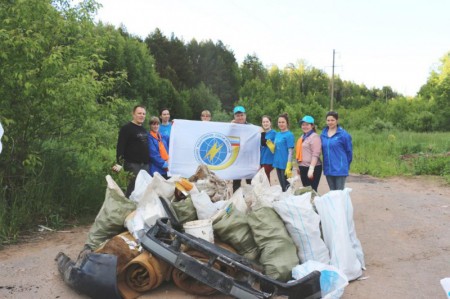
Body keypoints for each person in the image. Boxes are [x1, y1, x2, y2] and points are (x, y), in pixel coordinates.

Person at [112, 105, 150, 197]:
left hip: (145, 165)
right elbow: (120, 146)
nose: (142, 115)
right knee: (132, 188)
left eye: (144, 114)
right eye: (139, 113)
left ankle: (139, 210)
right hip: (133, 165)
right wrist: (119, 163)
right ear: (133, 114)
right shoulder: (126, 128)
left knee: (143, 189)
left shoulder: (143, 129)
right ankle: (128, 208)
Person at [320, 111, 353, 190]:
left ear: (337, 120)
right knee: (332, 193)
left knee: (339, 194)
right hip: (328, 169)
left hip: (340, 170)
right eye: (328, 120)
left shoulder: (343, 135)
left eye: (332, 120)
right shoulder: (323, 135)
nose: (330, 122)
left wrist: (345, 166)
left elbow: (349, 152)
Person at [295, 115, 322, 192]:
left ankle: (314, 204)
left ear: (312, 125)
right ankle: (308, 204)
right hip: (303, 167)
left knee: (312, 191)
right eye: (303, 125)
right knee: (305, 191)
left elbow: (316, 154)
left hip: (313, 168)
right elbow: (299, 152)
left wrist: (311, 169)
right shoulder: (302, 137)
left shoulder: (315, 137)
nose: (305, 126)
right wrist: (298, 166)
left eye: (307, 124)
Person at [272, 113, 295, 192]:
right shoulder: (277, 134)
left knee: (287, 187)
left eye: (283, 122)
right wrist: (270, 145)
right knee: (282, 187)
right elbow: (275, 148)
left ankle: (288, 202)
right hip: (278, 163)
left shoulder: (289, 135)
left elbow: (290, 151)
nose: (281, 124)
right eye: (279, 122)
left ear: (287, 123)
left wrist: (288, 165)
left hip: (285, 164)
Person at [231, 105, 252, 192]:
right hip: (236, 158)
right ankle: (237, 200)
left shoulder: (251, 127)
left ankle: (251, 199)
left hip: (249, 159)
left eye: (241, 115)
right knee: (236, 181)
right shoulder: (231, 127)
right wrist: (230, 126)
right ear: (234, 117)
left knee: (250, 181)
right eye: (237, 115)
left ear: (245, 115)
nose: (240, 117)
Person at [260, 115, 276, 182]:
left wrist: (262, 133)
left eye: (267, 122)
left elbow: (264, 143)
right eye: (263, 122)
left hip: (269, 160)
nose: (265, 123)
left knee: (265, 178)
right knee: (262, 179)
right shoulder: (261, 133)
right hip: (262, 159)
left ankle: (268, 192)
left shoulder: (273, 133)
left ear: (270, 123)